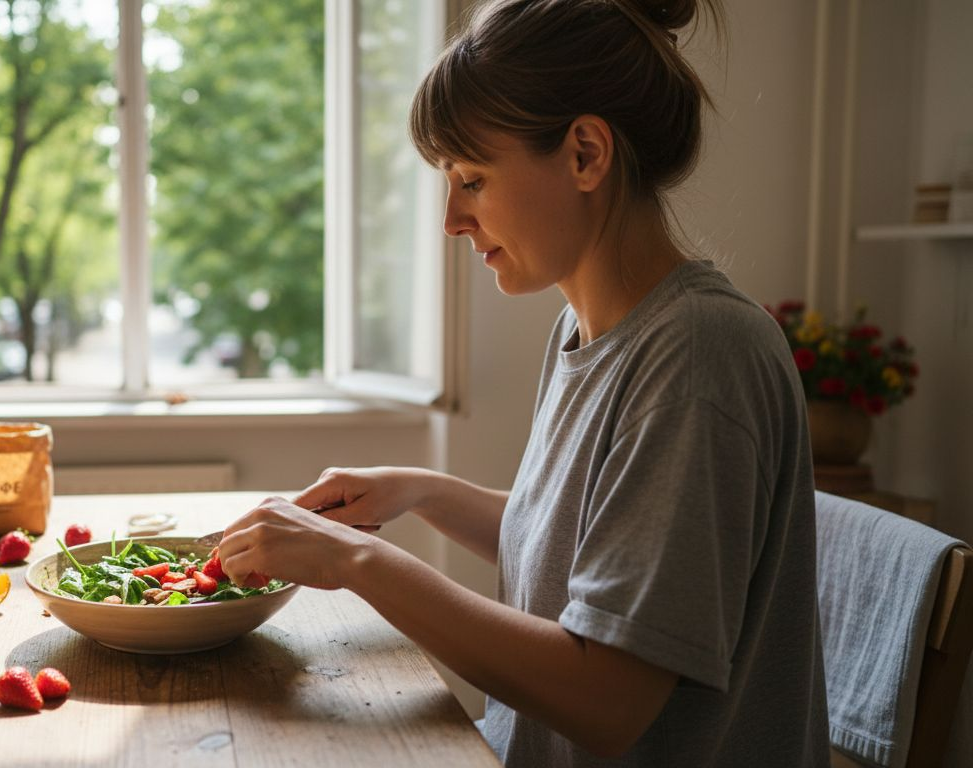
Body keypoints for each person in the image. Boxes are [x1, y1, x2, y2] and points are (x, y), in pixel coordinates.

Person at [214, 0, 830, 765]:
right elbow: (590, 540)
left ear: (584, 154)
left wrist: (355, 561)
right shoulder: (586, 329)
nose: (451, 220)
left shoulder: (700, 354)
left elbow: (607, 700)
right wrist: (419, 491)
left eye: (471, 178)